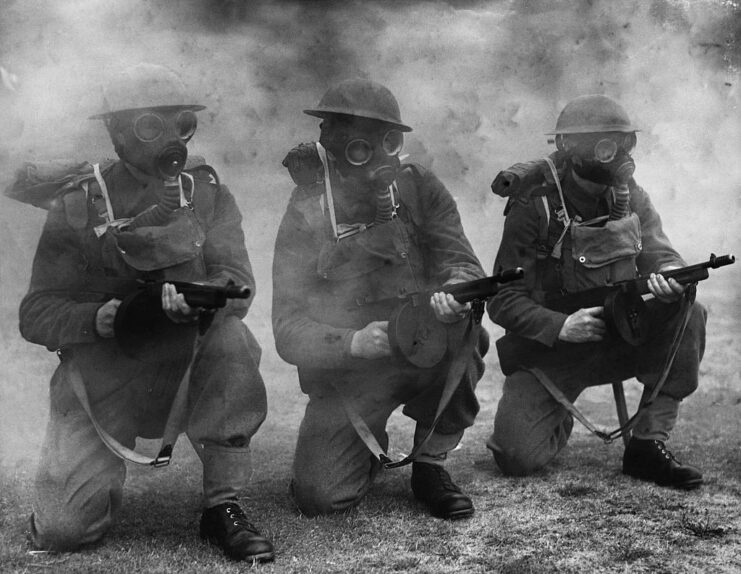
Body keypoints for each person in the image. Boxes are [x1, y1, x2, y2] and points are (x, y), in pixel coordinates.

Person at [15, 63, 274, 561]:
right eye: (150, 125)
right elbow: (37, 311)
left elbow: (239, 285)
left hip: (187, 357)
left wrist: (199, 299)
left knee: (232, 340)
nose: (168, 139)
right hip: (105, 370)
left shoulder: (208, 193)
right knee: (65, 531)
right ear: (116, 132)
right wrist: (99, 318)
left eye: (180, 123)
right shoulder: (77, 204)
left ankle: (223, 504)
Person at [272, 79, 488, 519]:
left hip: (423, 347)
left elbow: (460, 258)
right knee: (322, 497)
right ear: (329, 139)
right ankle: (367, 444)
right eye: (355, 136)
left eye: (383, 138)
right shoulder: (307, 210)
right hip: (352, 373)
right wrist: (351, 342)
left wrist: (456, 292)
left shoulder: (419, 187)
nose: (369, 149)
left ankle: (431, 464)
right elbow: (287, 327)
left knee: (469, 331)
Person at [487, 94, 706, 489]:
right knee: (515, 456)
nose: (619, 155)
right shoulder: (534, 205)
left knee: (690, 311)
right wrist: (559, 325)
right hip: (555, 350)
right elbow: (502, 298)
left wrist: (671, 274)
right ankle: (557, 412)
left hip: (622, 334)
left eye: (624, 143)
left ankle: (647, 443)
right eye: (607, 145)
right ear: (572, 148)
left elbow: (660, 251)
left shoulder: (631, 195)